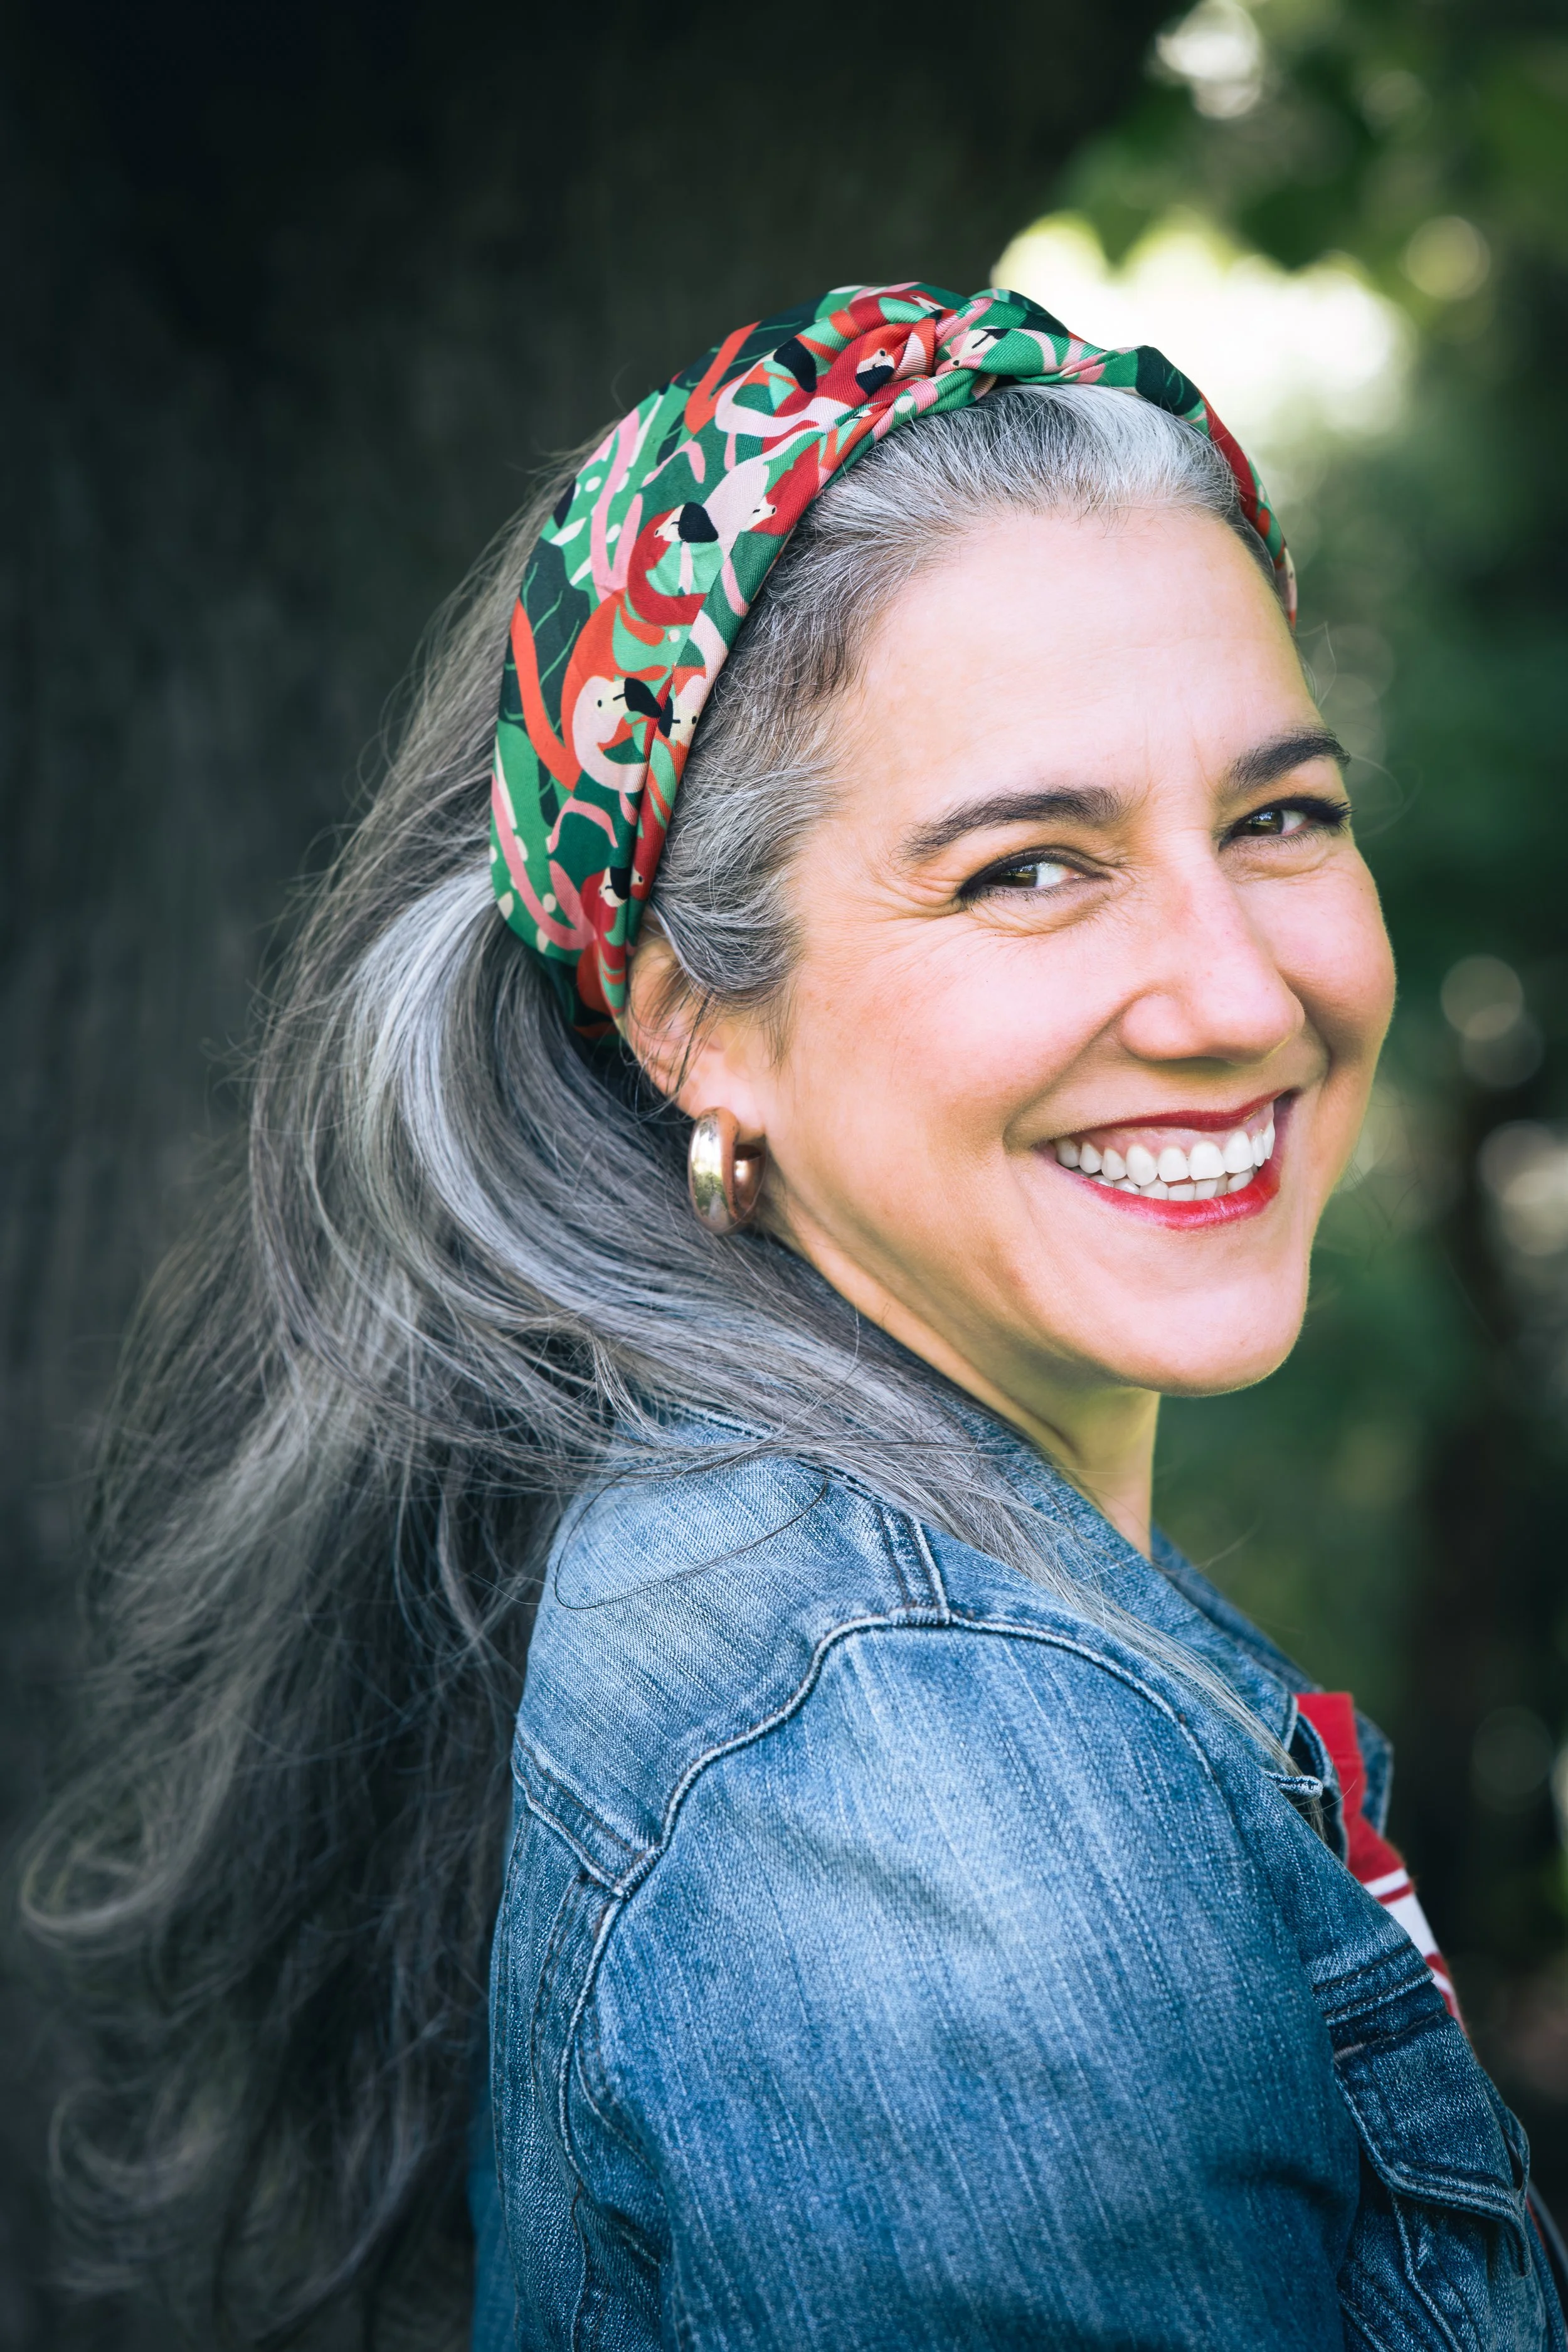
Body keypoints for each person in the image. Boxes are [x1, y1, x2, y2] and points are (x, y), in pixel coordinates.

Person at [26, 285, 1564, 2350]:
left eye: (1277, 815)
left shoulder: (831, 1607)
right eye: (1029, 868)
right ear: (697, 1028)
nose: (1233, 993)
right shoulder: (920, 1790)